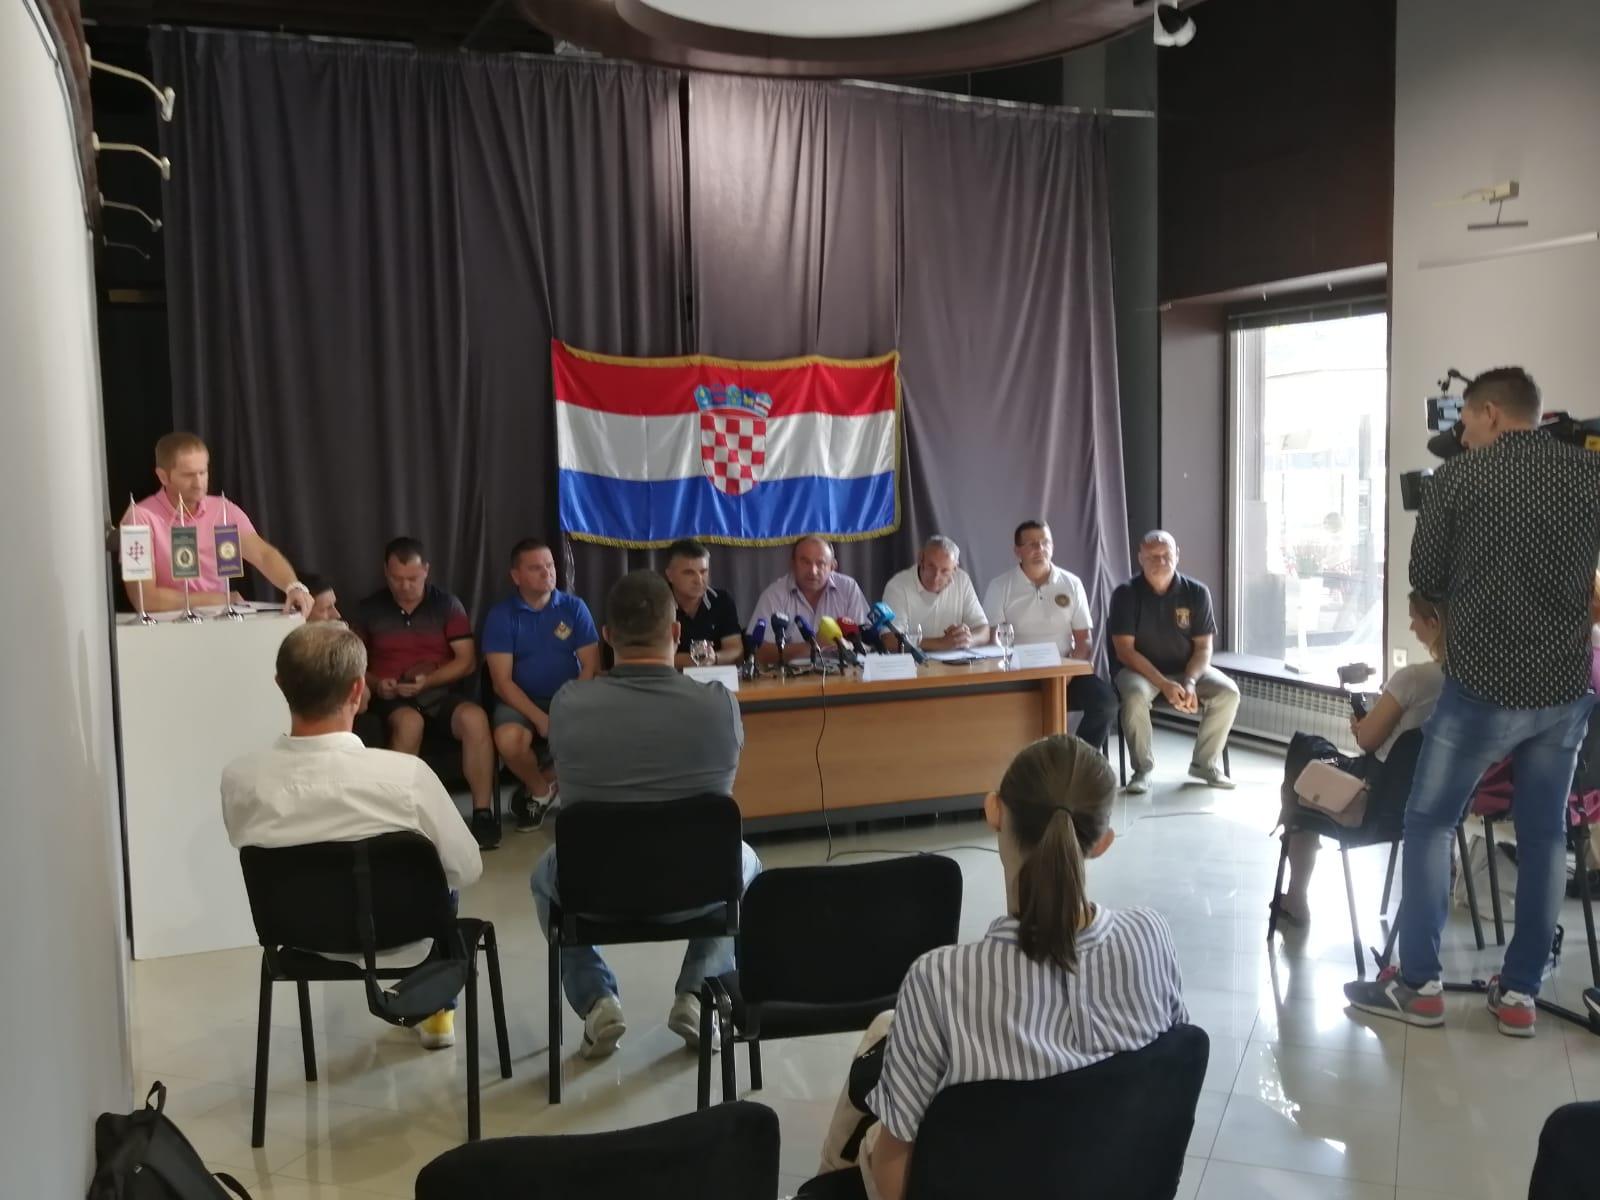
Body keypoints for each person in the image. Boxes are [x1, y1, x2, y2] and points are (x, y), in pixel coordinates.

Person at [1346, 368, 1600, 1038]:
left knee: (1430, 823)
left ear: (1490, 412)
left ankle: (1420, 985)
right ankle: (1518, 996)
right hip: (1563, 691)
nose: (1460, 434)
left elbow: (1424, 579)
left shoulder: (1459, 479)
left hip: (1484, 687)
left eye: (1463, 421)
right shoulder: (1590, 474)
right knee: (1545, 835)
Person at [849, 736, 1185, 1200]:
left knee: (868, 1137)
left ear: (994, 810)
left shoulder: (939, 982)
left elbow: (895, 1176)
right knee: (886, 1029)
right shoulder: (1152, 937)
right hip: (1111, 1176)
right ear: (1103, 842)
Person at [529, 571, 761, 1058]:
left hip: (595, 893)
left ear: (607, 636)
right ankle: (699, 994)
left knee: (543, 874)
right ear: (676, 633)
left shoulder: (568, 704)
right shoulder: (718, 705)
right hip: (698, 890)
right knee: (745, 860)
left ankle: (597, 1001)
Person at [221, 622, 482, 1050]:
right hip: (408, 936)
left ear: (280, 685)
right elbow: (467, 869)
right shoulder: (407, 776)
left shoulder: (241, 779)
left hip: (300, 939)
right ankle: (436, 1007)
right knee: (442, 870)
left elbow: (244, 839)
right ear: (359, 690)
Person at [1272, 592, 1446, 925]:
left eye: (1414, 619)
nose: (1411, 626)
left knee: (1305, 751)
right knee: (1315, 759)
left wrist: (1361, 727)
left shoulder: (1413, 679)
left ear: (1434, 622)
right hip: (1429, 803)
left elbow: (1367, 741)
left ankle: (1295, 896)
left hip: (1376, 797)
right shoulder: (1468, 684)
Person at [350, 537, 501, 851]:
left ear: (426, 571)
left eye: (413, 579)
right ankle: (399, 819)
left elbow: (466, 661)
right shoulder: (369, 609)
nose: (405, 586)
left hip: (438, 693)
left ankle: (483, 814)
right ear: (385, 572)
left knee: (475, 719)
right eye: (397, 579)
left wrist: (428, 681)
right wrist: (377, 683)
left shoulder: (446, 605)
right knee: (410, 723)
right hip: (391, 697)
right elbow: (354, 662)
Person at [482, 538, 601, 832]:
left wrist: (565, 708)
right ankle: (540, 789)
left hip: (570, 697)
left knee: (601, 733)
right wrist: (540, 718)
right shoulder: (501, 616)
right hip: (521, 701)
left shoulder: (574, 608)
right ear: (516, 576)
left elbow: (591, 666)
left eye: (550, 565)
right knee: (509, 740)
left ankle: (545, 782)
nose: (547, 572)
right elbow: (501, 682)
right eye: (536, 568)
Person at [1107, 530, 1240, 792]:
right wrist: (1164, 684)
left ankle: (1204, 764)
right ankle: (1142, 770)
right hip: (1139, 671)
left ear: (1177, 555)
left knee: (1228, 693)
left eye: (1166, 555)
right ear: (1140, 558)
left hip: (1186, 669)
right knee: (1134, 697)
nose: (1160, 561)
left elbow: (1204, 648)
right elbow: (1125, 652)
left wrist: (1190, 682)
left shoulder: (1197, 592)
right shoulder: (1125, 594)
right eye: (1152, 556)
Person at [127, 431, 313, 617]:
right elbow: (145, 599)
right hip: (166, 625)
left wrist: (293, 586)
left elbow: (263, 555)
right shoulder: (139, 518)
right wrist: (220, 599)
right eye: (188, 475)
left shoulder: (223, 510)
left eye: (203, 472)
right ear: (163, 476)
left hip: (221, 622)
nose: (198, 483)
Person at [981, 520, 1119, 750]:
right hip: (1018, 675)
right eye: (1032, 544)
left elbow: (1084, 640)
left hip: (1064, 673)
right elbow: (992, 638)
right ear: (1017, 551)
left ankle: (1077, 758)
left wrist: (1067, 674)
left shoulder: (1071, 583)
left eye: (1045, 543)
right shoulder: (1000, 586)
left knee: (1105, 703)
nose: (1040, 549)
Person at [748, 536, 871, 664]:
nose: (813, 571)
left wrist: (849, 645)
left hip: (843, 672)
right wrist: (814, 645)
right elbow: (759, 653)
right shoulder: (774, 595)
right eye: (805, 562)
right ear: (793, 564)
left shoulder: (848, 588)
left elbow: (867, 641)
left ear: (833, 566)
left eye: (821, 563)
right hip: (790, 675)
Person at [880, 535, 989, 652]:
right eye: (931, 566)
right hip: (912, 662)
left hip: (955, 661)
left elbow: (984, 630)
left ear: (955, 568)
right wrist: (941, 643)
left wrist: (966, 639)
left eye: (944, 571)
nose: (936, 577)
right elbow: (889, 640)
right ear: (920, 559)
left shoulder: (962, 580)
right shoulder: (898, 586)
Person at [663, 538, 744, 666]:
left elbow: (736, 652)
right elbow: (651, 658)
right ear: (670, 575)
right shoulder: (656, 604)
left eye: (703, 571)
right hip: (670, 677)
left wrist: (714, 657)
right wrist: (695, 659)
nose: (699, 580)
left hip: (715, 676)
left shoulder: (721, 600)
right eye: (689, 573)